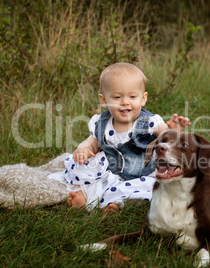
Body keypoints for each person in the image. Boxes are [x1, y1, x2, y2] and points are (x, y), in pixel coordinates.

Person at [54, 62, 190, 212]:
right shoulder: (102, 122)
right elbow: (93, 141)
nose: (125, 102)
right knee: (79, 164)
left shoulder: (149, 121)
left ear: (143, 99)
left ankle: (118, 204)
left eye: (132, 96)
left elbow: (164, 134)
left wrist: (173, 130)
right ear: (104, 100)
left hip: (142, 174)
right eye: (117, 97)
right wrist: (83, 149)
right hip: (109, 172)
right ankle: (82, 194)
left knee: (153, 186)